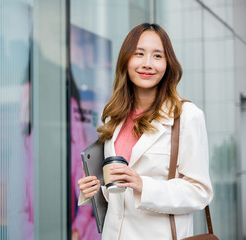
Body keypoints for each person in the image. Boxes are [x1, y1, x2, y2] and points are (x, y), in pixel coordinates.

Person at [77, 23, 213, 239]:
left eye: (157, 56)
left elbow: (200, 193)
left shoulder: (187, 115)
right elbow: (118, 192)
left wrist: (143, 185)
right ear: (126, 60)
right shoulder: (115, 115)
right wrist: (94, 189)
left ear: (168, 64)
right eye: (139, 54)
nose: (147, 64)